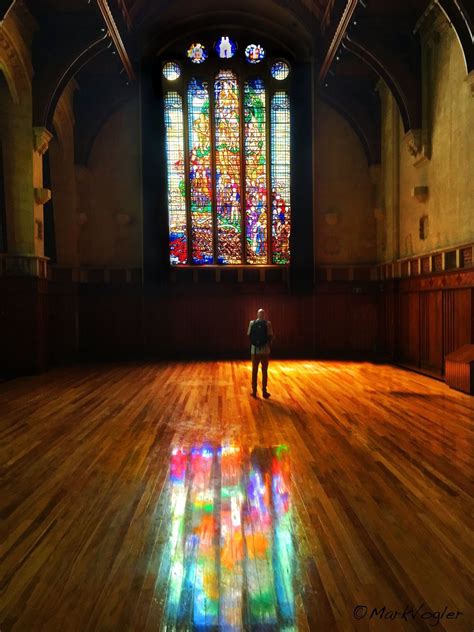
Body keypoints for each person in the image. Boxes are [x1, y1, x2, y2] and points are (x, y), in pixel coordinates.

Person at [248, 308, 274, 398]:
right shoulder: (268, 324)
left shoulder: (252, 323)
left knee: (254, 371)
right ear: (264, 315)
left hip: (254, 351)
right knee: (264, 371)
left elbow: (248, 335)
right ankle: (264, 391)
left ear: (257, 315)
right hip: (265, 351)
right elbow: (271, 336)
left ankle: (254, 391)